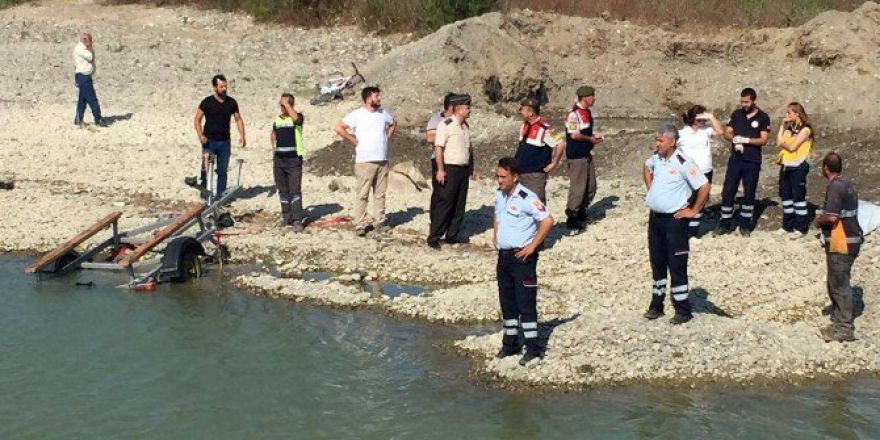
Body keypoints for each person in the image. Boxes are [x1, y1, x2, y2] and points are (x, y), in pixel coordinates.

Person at [642, 124, 710, 325]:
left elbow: (704, 186)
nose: (657, 143)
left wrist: (693, 210)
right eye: (657, 140)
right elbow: (646, 167)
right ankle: (656, 305)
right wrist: (652, 190)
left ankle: (682, 309)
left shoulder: (683, 161)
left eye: (661, 140)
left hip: (675, 221)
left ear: (672, 142)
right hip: (656, 220)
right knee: (657, 263)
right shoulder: (657, 158)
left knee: (677, 264)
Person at [493, 157, 554, 366]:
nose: (499, 180)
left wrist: (533, 246)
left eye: (503, 177)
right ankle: (510, 343)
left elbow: (547, 220)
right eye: (498, 176)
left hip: (523, 258)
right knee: (507, 302)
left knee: (525, 302)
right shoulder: (500, 195)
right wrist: (496, 236)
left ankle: (533, 348)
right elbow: (497, 215)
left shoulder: (527, 197)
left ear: (515, 177)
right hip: (504, 257)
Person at [334, 86, 396, 236]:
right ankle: (360, 223)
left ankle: (379, 221)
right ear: (368, 98)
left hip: (382, 160)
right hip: (365, 161)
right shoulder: (357, 114)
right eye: (376, 96)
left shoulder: (383, 113)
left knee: (380, 193)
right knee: (363, 193)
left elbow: (393, 123)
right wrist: (353, 139)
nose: (379, 98)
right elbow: (339, 127)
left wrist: (386, 137)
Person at [815, 152, 863, 342]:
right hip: (851, 240)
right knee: (836, 282)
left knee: (839, 284)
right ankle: (838, 320)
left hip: (842, 242)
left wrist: (819, 221)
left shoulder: (835, 187)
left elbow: (832, 217)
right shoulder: (847, 184)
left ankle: (844, 328)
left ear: (825, 168)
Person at [717, 88, 770, 237]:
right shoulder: (737, 114)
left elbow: (763, 140)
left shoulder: (763, 117)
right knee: (728, 189)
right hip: (736, 158)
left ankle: (745, 224)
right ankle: (725, 223)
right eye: (742, 102)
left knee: (749, 191)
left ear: (754, 101)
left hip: (752, 160)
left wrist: (746, 140)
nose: (744, 104)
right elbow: (727, 132)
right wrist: (734, 139)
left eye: (747, 102)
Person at [427, 94, 477, 249]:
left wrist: (471, 168)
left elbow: (469, 149)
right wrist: (440, 169)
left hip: (463, 169)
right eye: (467, 107)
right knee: (445, 202)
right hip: (450, 168)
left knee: (459, 203)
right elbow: (439, 148)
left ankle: (452, 235)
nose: (470, 110)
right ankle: (434, 237)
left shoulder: (465, 126)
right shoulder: (446, 125)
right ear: (459, 109)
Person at [193, 74, 246, 198]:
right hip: (209, 141)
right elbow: (197, 119)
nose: (224, 89)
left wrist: (242, 136)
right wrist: (200, 135)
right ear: (215, 87)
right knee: (206, 168)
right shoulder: (207, 102)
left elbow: (238, 119)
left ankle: (220, 196)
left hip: (224, 142)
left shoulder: (231, 102)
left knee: (222, 170)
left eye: (225, 86)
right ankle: (205, 193)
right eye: (221, 86)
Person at [677, 105, 724, 237]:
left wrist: (711, 117)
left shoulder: (706, 130)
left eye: (703, 119)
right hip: (689, 172)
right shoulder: (682, 133)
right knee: (688, 199)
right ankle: (683, 227)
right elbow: (673, 150)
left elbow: (720, 132)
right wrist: (683, 164)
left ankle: (693, 229)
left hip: (705, 170)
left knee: (702, 199)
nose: (702, 122)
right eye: (699, 119)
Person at [564, 86, 603, 230]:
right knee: (578, 188)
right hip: (577, 156)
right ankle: (572, 216)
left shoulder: (587, 112)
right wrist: (590, 139)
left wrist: (593, 135)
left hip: (586, 153)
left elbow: (585, 130)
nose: (594, 99)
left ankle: (582, 210)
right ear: (585, 97)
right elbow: (574, 135)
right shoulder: (573, 114)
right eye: (592, 96)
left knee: (591, 186)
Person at [513, 98, 564, 203]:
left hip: (535, 175)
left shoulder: (544, 128)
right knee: (522, 200)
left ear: (531, 113)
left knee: (536, 203)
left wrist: (554, 163)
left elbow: (560, 144)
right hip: (520, 173)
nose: (520, 111)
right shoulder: (524, 125)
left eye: (522, 109)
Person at [776, 102, 814, 238]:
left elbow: (793, 147)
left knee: (798, 197)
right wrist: (782, 126)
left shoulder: (805, 130)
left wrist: (783, 144)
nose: (786, 115)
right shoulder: (789, 128)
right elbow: (779, 142)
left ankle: (801, 227)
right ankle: (787, 225)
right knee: (786, 196)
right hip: (786, 165)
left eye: (789, 112)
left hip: (798, 166)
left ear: (797, 113)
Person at [270, 93, 306, 232]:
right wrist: (273, 147)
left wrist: (287, 104)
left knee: (295, 190)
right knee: (283, 190)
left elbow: (296, 119)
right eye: (281, 104)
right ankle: (287, 217)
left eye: (285, 104)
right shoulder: (277, 120)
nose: (282, 107)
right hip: (279, 160)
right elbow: (273, 133)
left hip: (293, 160)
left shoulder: (298, 117)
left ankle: (297, 219)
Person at [73, 32, 105, 127]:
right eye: (89, 40)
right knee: (92, 98)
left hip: (83, 76)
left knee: (82, 99)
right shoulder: (80, 49)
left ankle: (78, 119)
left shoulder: (81, 48)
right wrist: (89, 46)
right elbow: (91, 57)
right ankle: (98, 119)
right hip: (83, 77)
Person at [425, 93, 457, 183]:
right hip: (441, 160)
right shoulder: (437, 119)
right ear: (451, 106)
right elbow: (430, 138)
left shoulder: (460, 121)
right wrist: (447, 135)